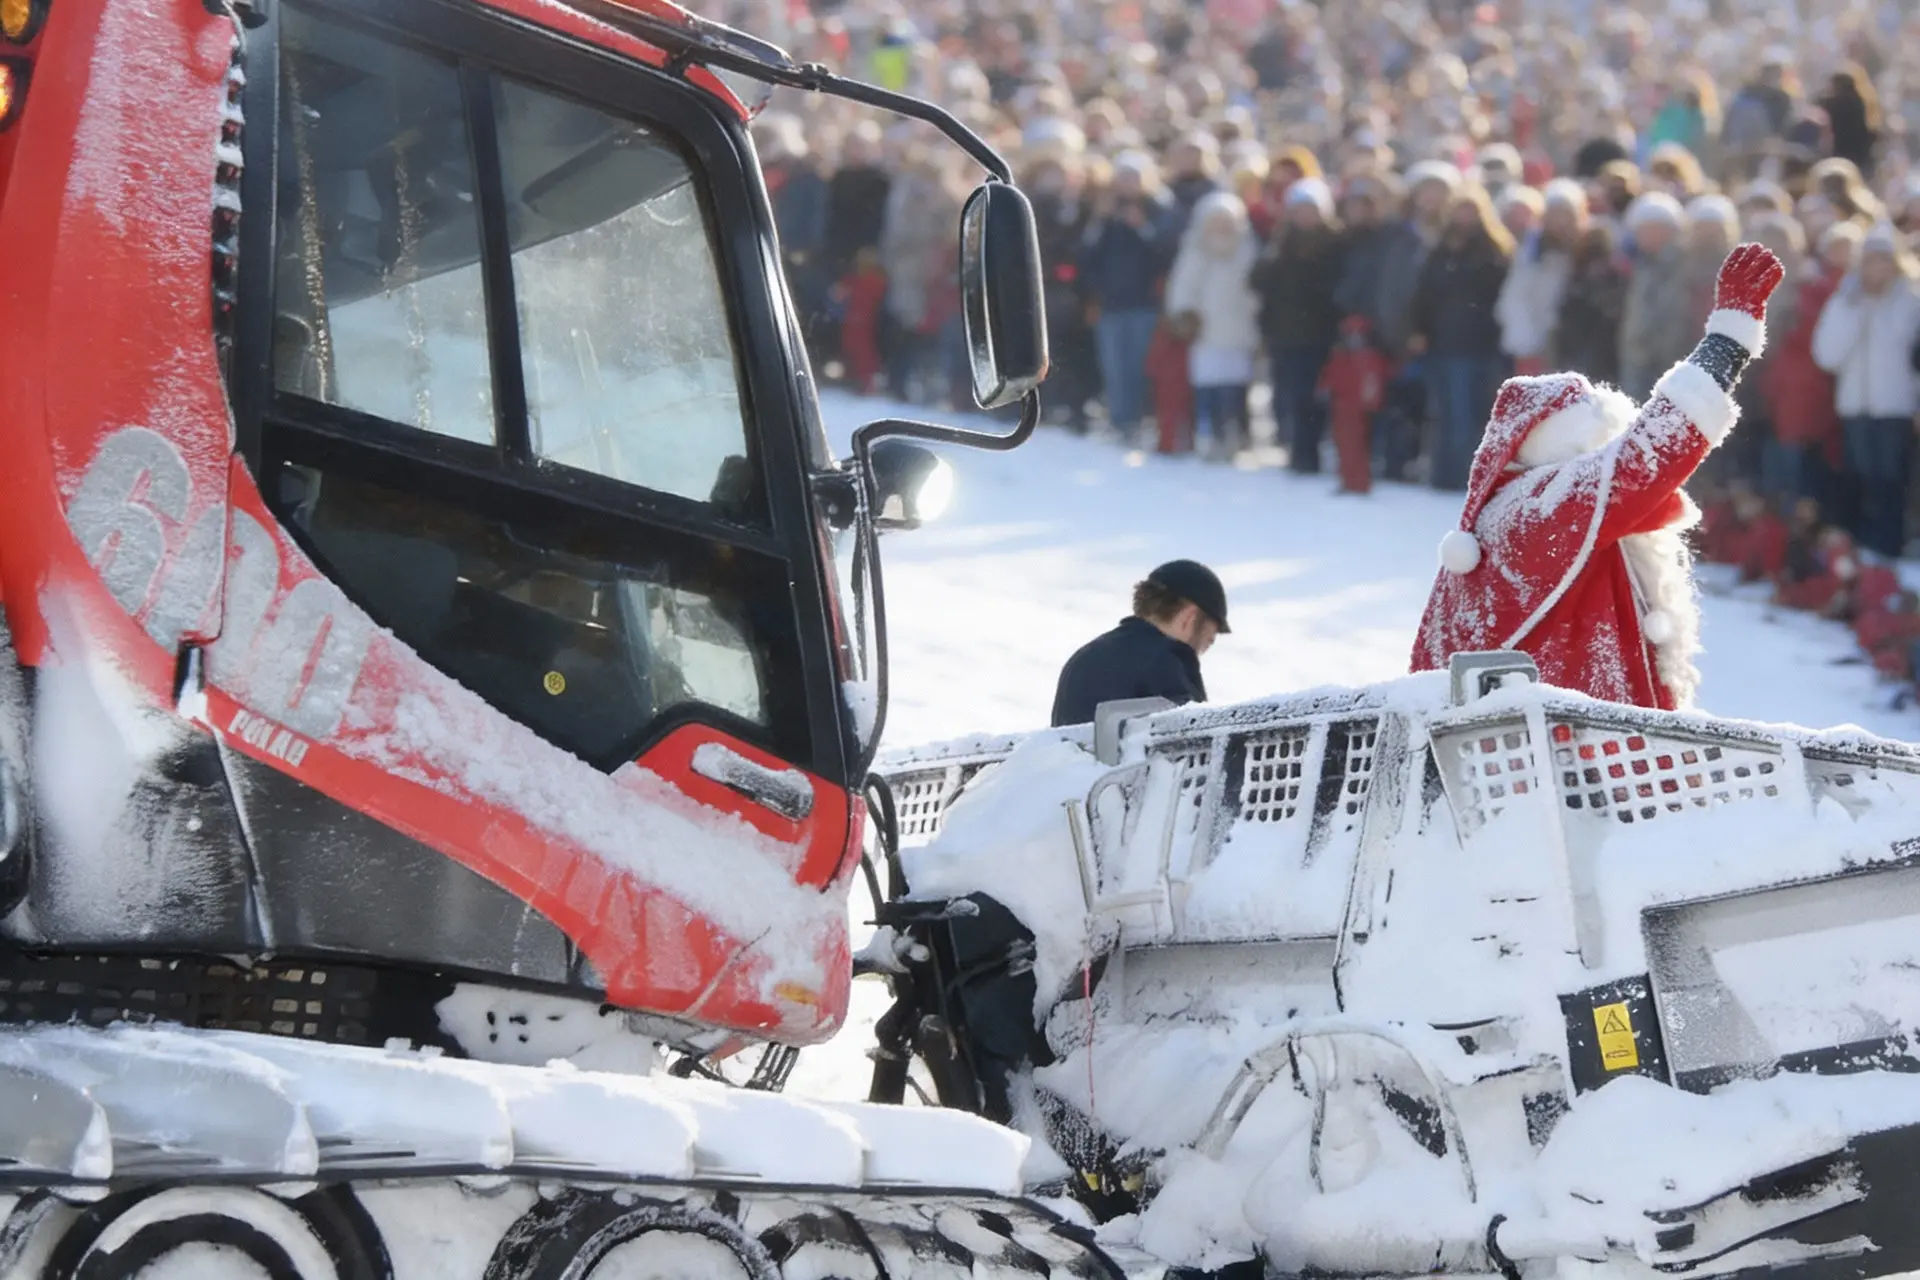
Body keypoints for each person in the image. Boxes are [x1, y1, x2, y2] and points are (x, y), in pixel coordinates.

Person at [1410, 244, 1785, 711]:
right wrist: (1727, 342)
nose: (1603, 455)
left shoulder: (1507, 510)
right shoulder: (1533, 508)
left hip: (1537, 741)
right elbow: (1647, 458)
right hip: (1562, 752)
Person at [1812, 224, 1920, 560]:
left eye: (1885, 260)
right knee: (1858, 478)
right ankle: (1863, 548)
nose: (1878, 268)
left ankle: (1889, 546)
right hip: (1855, 405)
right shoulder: (1845, 299)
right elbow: (1827, 355)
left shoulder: (1911, 301)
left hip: (1896, 406)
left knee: (1890, 481)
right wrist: (1855, 311)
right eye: (1872, 260)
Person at [1051, 561, 1230, 727]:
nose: (1202, 651)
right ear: (1189, 618)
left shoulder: (1083, 658)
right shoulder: (1167, 661)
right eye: (1209, 640)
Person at [1164, 192, 1260, 458]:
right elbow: (1182, 288)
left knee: (1236, 389)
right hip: (1205, 334)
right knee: (1208, 390)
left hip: (1239, 332)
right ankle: (1209, 436)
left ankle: (1235, 435)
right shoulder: (1195, 252)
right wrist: (1184, 315)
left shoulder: (1247, 251)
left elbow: (1255, 292)